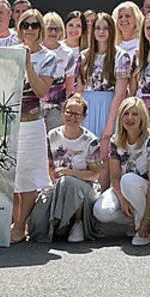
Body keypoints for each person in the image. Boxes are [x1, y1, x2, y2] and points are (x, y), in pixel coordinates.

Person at [11, 10, 63, 243]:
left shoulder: (49, 57)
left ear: (40, 29)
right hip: (8, 122)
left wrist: (28, 65)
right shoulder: (8, 52)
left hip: (31, 123)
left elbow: (42, 91)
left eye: (34, 25)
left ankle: (20, 226)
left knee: (28, 176)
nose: (29, 29)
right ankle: (15, 221)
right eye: (25, 25)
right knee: (10, 175)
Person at [28, 94, 102, 243]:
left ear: (84, 117)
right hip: (57, 184)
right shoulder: (52, 135)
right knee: (36, 225)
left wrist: (69, 173)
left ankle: (77, 223)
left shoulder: (91, 141)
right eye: (68, 112)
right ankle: (59, 224)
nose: (72, 117)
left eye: (76, 114)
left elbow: (95, 174)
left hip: (84, 188)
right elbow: (49, 164)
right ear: (62, 113)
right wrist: (55, 180)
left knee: (69, 182)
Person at [93, 97, 150, 246]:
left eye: (135, 114)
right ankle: (136, 219)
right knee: (101, 212)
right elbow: (114, 178)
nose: (130, 118)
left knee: (129, 180)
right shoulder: (115, 140)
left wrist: (146, 216)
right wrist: (123, 200)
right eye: (126, 114)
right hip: (123, 187)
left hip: (148, 189)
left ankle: (145, 224)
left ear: (142, 117)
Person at [76, 12, 131, 169]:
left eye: (105, 28)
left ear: (112, 30)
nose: (101, 32)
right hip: (86, 108)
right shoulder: (83, 56)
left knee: (104, 157)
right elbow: (79, 90)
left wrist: (109, 125)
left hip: (108, 108)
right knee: (85, 156)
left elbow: (120, 94)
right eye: (97, 28)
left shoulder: (121, 56)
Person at [41, 12, 77, 132]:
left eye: (57, 29)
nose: (53, 33)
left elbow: (70, 85)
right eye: (50, 29)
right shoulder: (35, 50)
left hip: (57, 109)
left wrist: (64, 109)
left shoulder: (67, 53)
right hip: (36, 108)